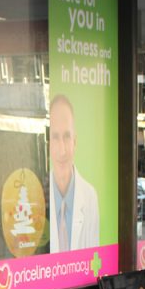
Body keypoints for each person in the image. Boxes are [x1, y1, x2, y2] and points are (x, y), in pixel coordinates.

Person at [48, 94, 99, 252]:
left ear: (75, 142)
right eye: (55, 137)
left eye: (67, 136)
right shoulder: (39, 196)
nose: (62, 150)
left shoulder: (90, 197)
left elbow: (93, 260)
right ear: (48, 144)